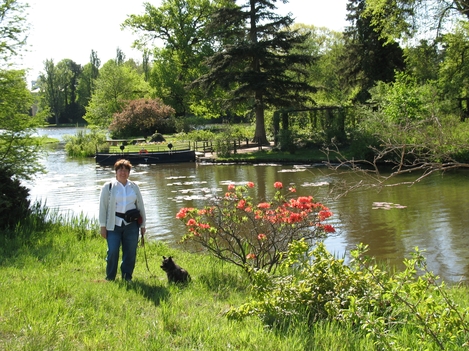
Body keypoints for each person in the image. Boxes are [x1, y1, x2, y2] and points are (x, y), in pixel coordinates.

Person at [99, 159, 146, 282]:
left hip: (131, 225)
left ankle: (127, 277)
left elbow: (140, 206)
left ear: (129, 173)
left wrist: (143, 225)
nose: (123, 173)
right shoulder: (108, 187)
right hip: (113, 225)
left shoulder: (134, 187)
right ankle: (110, 277)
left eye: (126, 170)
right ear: (116, 172)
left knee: (130, 252)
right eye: (120, 170)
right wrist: (102, 226)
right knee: (113, 251)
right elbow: (102, 207)